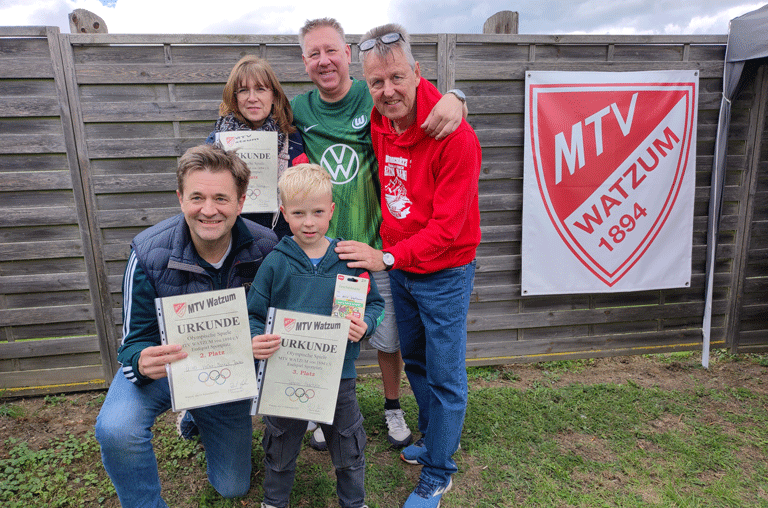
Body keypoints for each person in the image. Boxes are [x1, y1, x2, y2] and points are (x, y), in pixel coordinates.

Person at [292, 17, 467, 450]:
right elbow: (249, 114)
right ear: (304, 62)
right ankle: (322, 411)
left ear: (347, 54)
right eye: (314, 53)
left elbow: (420, 97)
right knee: (331, 332)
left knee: (389, 339)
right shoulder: (297, 108)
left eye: (331, 50)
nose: (324, 60)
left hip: (379, 249)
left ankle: (394, 408)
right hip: (329, 251)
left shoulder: (371, 100)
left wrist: (458, 97)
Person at [334, 24, 481, 508]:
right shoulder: (379, 118)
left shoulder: (454, 134)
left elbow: (447, 227)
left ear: (418, 72)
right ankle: (437, 438)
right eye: (376, 83)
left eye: (397, 77)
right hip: (402, 270)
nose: (387, 91)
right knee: (415, 361)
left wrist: (387, 257)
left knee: (445, 374)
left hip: (443, 271)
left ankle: (439, 472)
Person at [95, 144, 278, 507]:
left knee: (232, 486)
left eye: (221, 199)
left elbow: (279, 316)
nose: (208, 210)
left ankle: (198, 414)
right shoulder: (147, 253)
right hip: (172, 369)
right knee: (116, 428)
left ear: (241, 202)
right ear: (180, 199)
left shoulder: (266, 248)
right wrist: (140, 361)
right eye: (197, 197)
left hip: (227, 373)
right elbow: (133, 342)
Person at [248, 163, 384, 508]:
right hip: (285, 375)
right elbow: (253, 314)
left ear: (331, 211)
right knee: (280, 442)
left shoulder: (348, 259)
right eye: (298, 213)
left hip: (339, 375)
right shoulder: (276, 262)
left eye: (318, 212)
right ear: (284, 213)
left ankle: (354, 502)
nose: (309, 222)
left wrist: (366, 324)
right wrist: (254, 339)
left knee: (348, 442)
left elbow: (376, 304)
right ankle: (274, 502)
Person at [205, 55, 306, 239]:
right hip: (232, 240)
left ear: (274, 95)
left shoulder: (293, 139)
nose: (252, 98)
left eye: (260, 89)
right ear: (234, 97)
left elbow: (303, 195)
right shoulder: (217, 141)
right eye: (243, 90)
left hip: (280, 242)